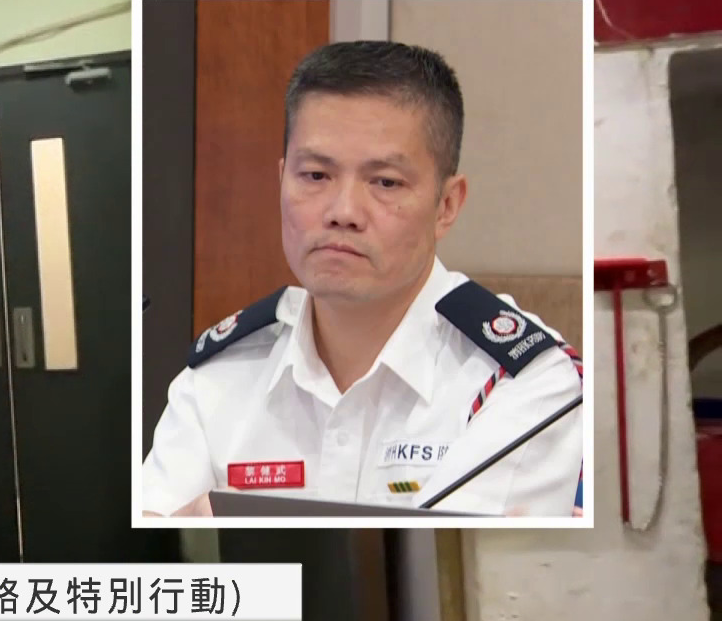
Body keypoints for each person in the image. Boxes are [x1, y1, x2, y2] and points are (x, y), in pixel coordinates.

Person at [140, 41, 583, 518]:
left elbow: (443, 560)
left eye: (385, 182)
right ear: (281, 180)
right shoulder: (220, 375)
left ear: (447, 205)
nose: (343, 212)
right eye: (315, 175)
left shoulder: (525, 381)